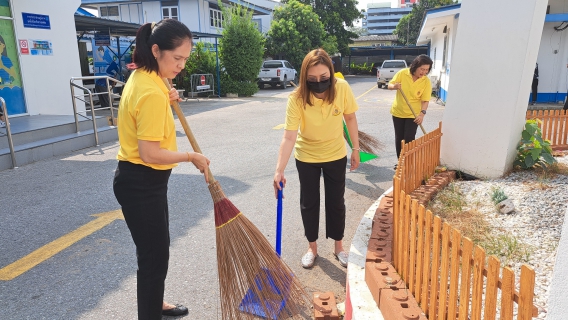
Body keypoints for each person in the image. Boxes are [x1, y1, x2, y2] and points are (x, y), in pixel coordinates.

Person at [112, 19, 210, 319]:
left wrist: (166, 98)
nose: (181, 65)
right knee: (155, 258)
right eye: (177, 58)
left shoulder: (147, 78)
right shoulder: (151, 90)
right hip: (141, 181)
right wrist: (190, 156)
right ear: (156, 50)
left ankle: (155, 303)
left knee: (156, 252)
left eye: (185, 59)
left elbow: (146, 108)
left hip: (141, 181)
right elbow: (150, 152)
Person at [273, 48, 361, 269]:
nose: (319, 83)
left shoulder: (341, 88)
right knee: (309, 203)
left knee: (336, 202)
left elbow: (350, 118)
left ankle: (339, 246)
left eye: (324, 78)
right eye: (312, 79)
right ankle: (312, 248)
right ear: (304, 78)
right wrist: (279, 170)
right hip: (307, 156)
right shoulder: (297, 98)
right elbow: (289, 135)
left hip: (335, 154)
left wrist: (356, 149)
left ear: (331, 74)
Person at [388, 54, 433, 163]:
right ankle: (400, 162)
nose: (424, 72)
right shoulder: (403, 73)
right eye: (422, 69)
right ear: (415, 66)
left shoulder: (426, 81)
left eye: (427, 70)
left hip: (413, 115)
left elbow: (425, 100)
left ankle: (407, 161)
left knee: (409, 138)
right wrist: (394, 87)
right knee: (399, 138)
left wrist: (422, 114)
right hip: (398, 112)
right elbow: (389, 85)